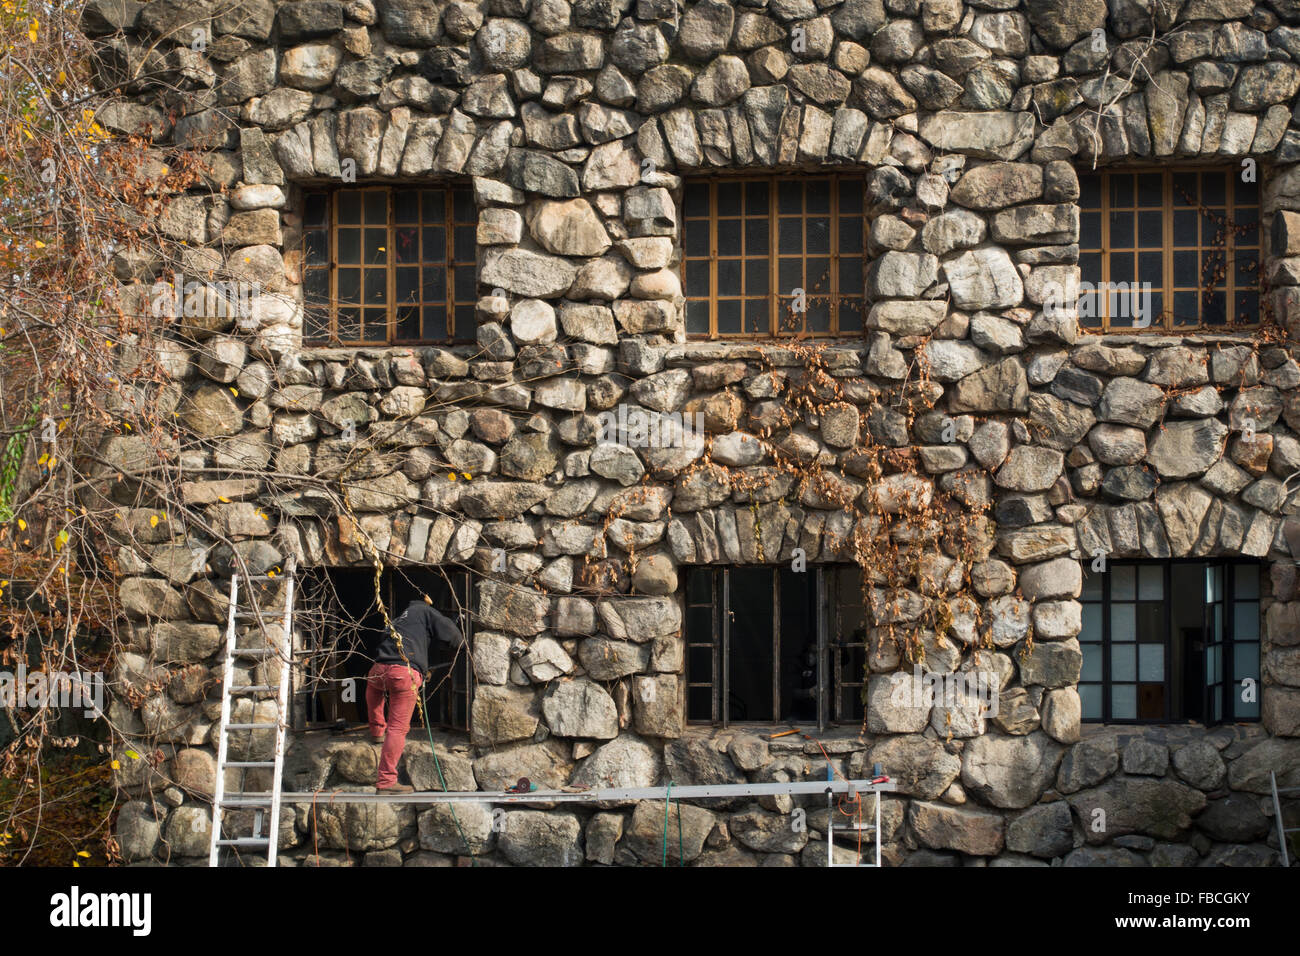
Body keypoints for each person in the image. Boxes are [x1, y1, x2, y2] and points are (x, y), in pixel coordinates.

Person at [366, 595, 462, 793]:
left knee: (374, 693)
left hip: (378, 668)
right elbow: (452, 634)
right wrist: (460, 644)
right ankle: (386, 781)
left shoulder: (397, 620)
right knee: (398, 728)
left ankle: (377, 732)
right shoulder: (424, 610)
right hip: (403, 673)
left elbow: (384, 641)